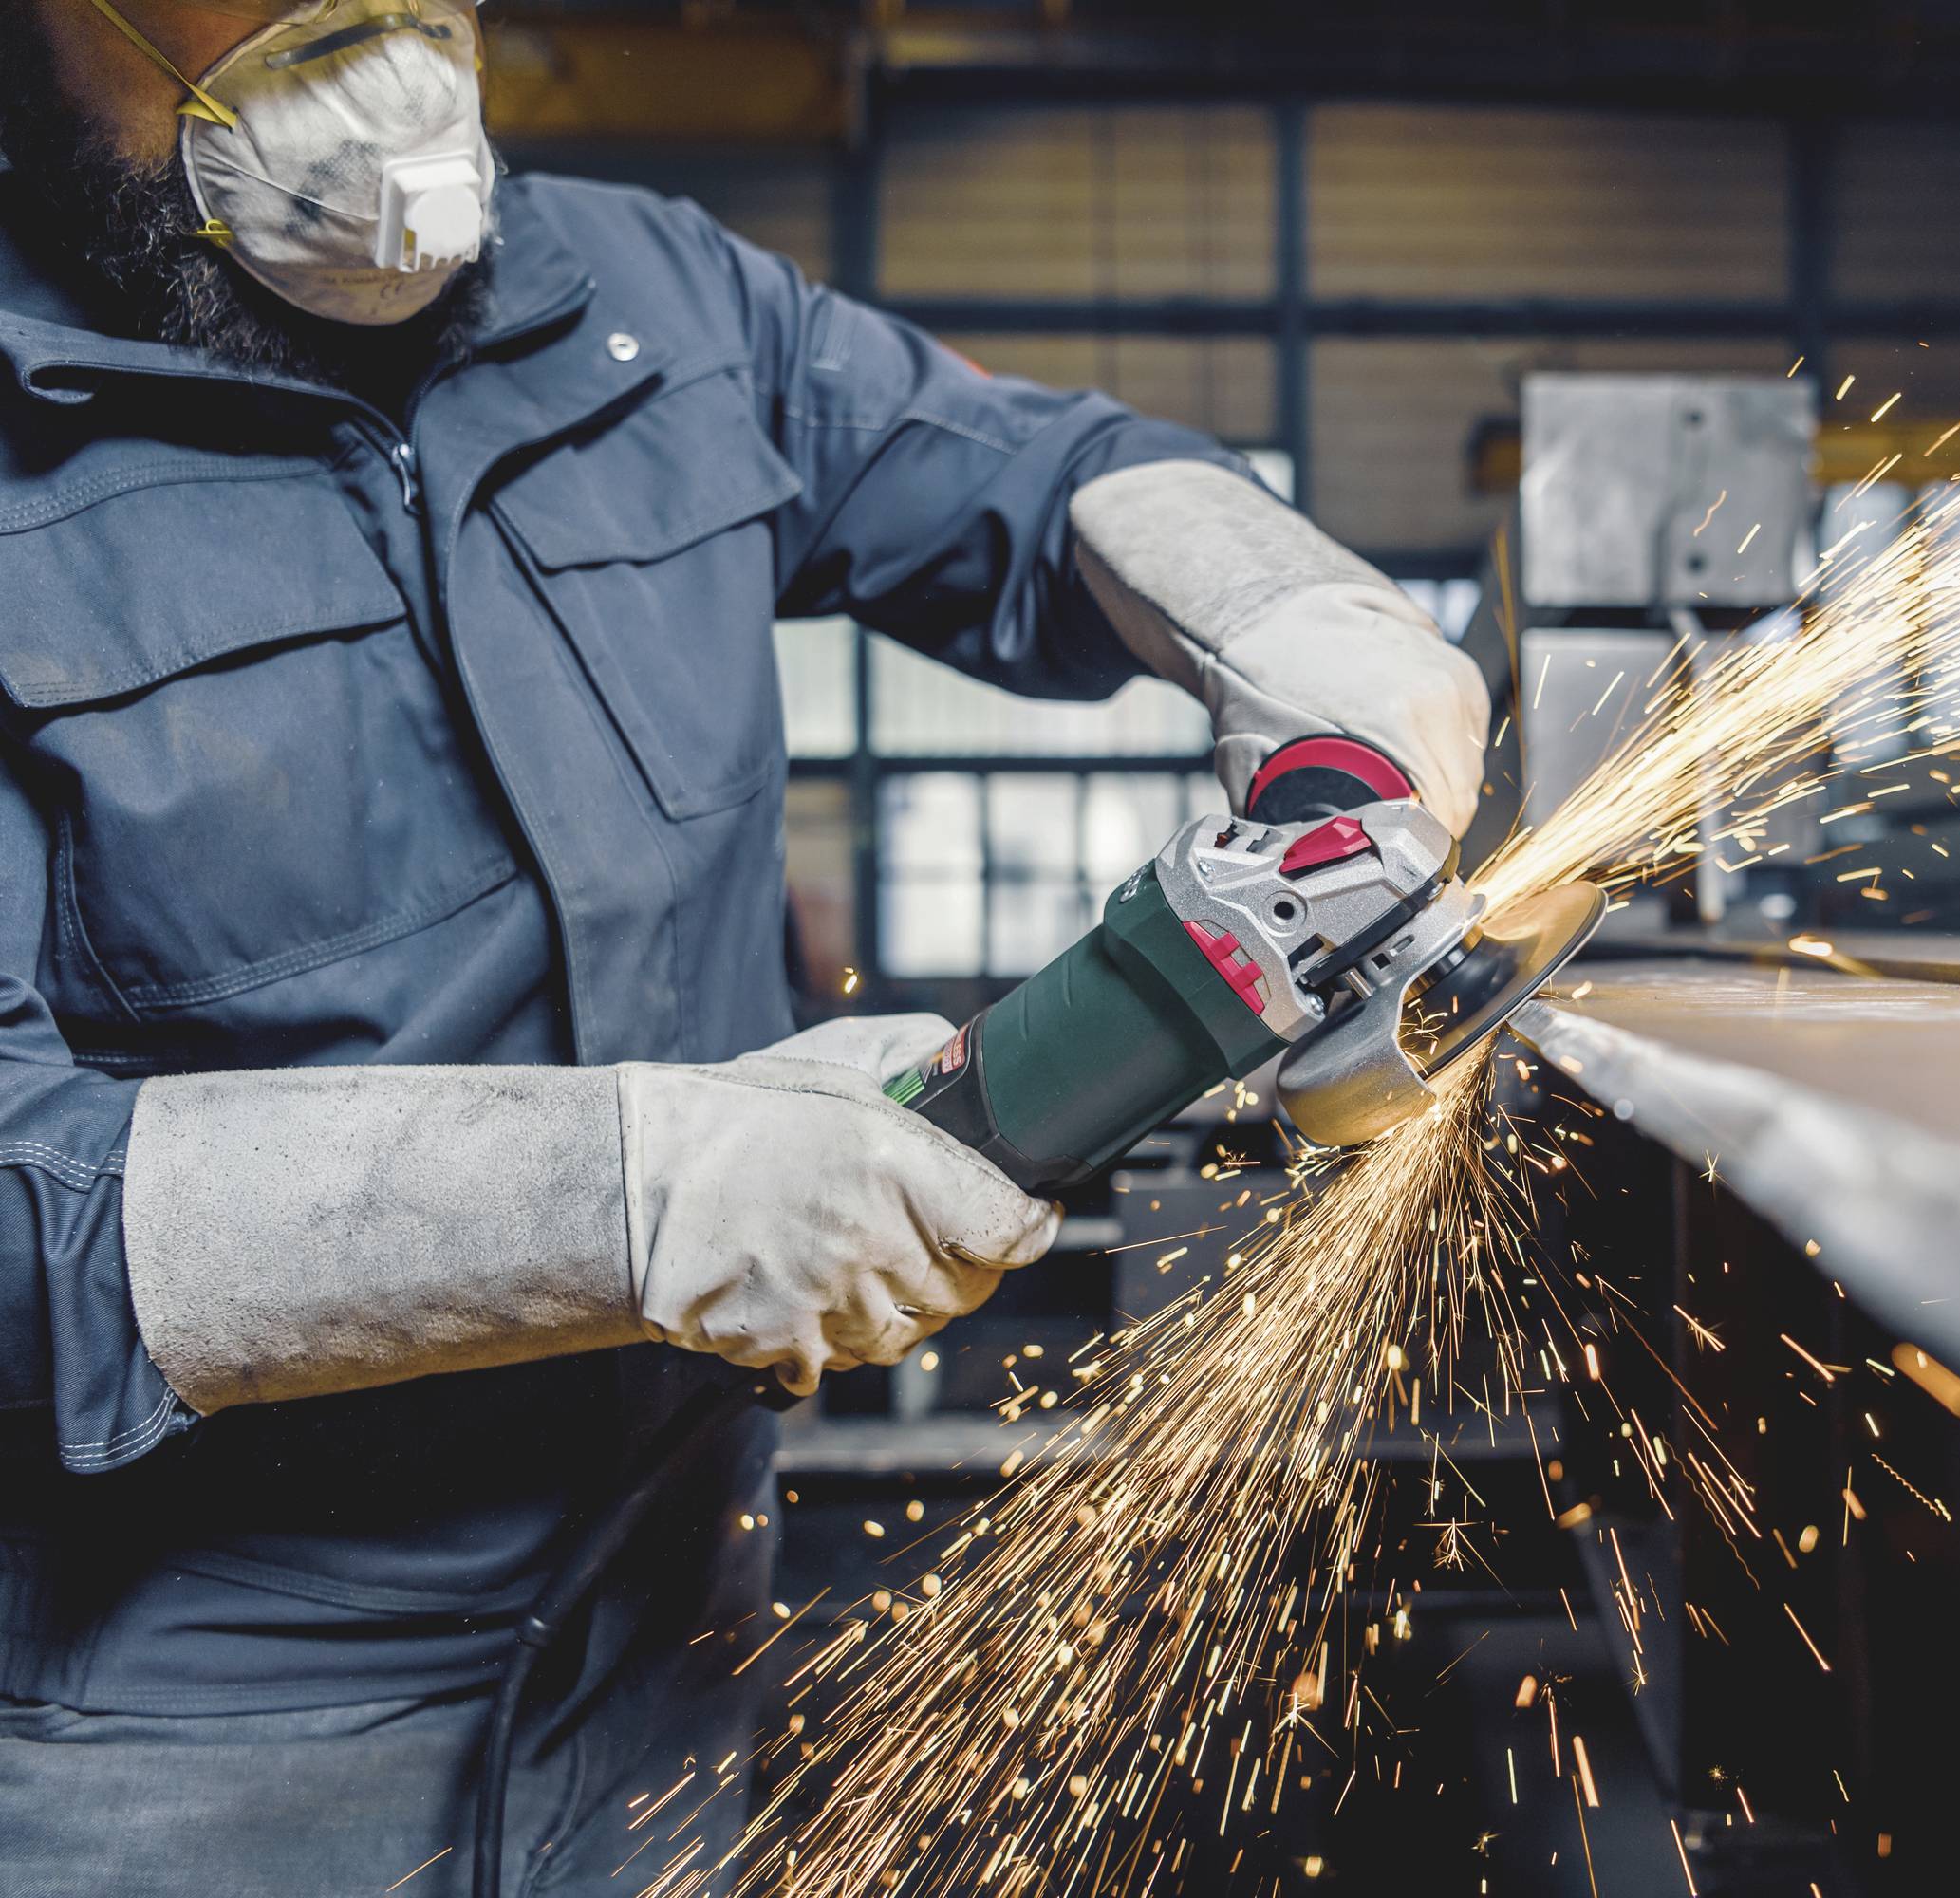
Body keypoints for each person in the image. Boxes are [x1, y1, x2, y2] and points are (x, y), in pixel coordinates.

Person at [0, 0, 1491, 1889]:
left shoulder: (652, 299)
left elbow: (1038, 475)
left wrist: (1285, 620)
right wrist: (633, 1196)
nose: (373, 40)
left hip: (668, 1652)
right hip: (184, 1742)